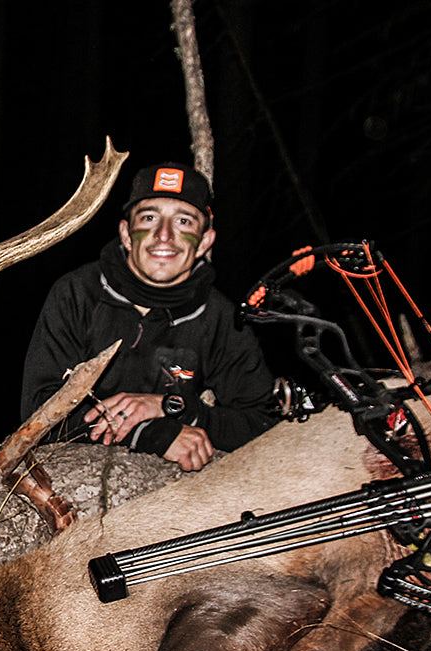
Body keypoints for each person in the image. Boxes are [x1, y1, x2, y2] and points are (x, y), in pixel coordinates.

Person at [20, 161, 276, 472]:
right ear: (127, 234)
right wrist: (151, 433)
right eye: (149, 217)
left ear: (205, 242)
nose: (164, 235)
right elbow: (38, 413)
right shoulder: (78, 294)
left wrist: (177, 409)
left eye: (183, 221)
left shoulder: (219, 316)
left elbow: (262, 421)